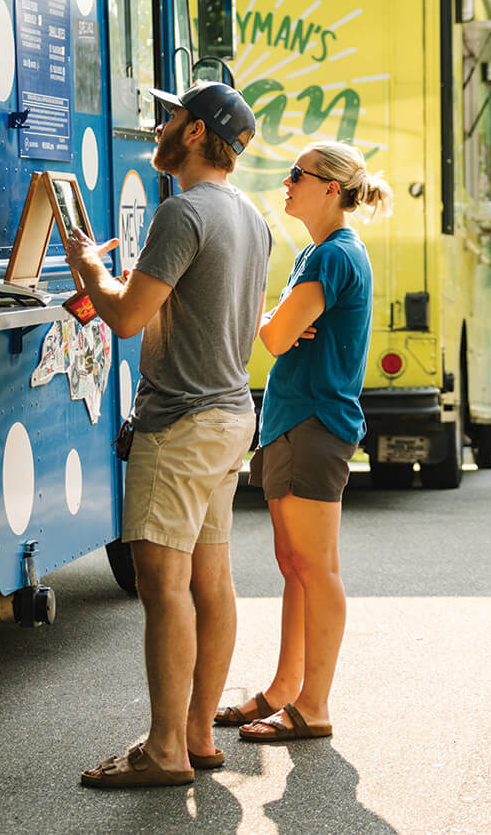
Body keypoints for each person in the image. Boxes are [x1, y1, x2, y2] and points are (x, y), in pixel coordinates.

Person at [66, 81, 271, 789]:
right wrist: (129, 284)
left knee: (163, 585)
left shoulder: (183, 213)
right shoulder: (250, 214)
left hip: (180, 422)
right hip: (229, 414)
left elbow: (124, 320)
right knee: (212, 580)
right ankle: (194, 734)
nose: (160, 123)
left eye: (171, 114)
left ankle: (163, 750)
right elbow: (182, 305)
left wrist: (88, 264)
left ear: (192, 134)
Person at [217, 140, 392, 744]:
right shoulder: (321, 253)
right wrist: (279, 323)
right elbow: (282, 333)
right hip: (295, 423)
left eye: (298, 174)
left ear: (330, 189)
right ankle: (282, 692)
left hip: (314, 425)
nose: (286, 182)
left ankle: (312, 706)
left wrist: (272, 320)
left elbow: (273, 337)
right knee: (295, 567)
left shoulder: (333, 256)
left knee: (316, 570)